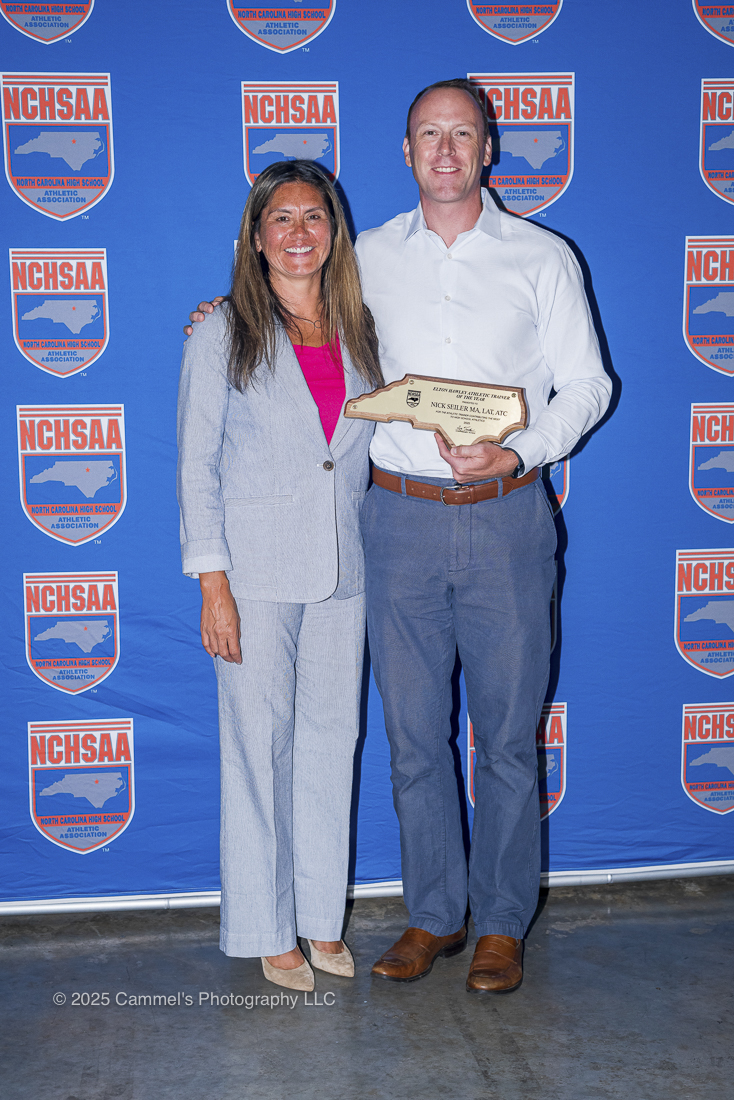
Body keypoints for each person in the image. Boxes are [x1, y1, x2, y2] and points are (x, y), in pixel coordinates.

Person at [186, 79, 612, 996]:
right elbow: (287, 303)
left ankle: (500, 924)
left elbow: (589, 385)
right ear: (407, 152)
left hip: (506, 517)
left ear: (489, 148)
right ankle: (435, 913)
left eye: (463, 134)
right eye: (428, 134)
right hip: (394, 522)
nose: (446, 150)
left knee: (506, 740)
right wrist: (218, 317)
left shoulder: (544, 258)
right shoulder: (365, 258)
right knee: (413, 738)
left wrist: (521, 450)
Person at [177, 159, 381, 991]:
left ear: (335, 231)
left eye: (314, 217)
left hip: (344, 568)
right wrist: (213, 585)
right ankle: (267, 927)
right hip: (254, 575)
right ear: (256, 238)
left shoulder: (363, 326)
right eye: (282, 219)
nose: (300, 232)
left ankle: (321, 916)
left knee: (333, 743)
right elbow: (196, 465)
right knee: (258, 750)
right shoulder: (222, 330)